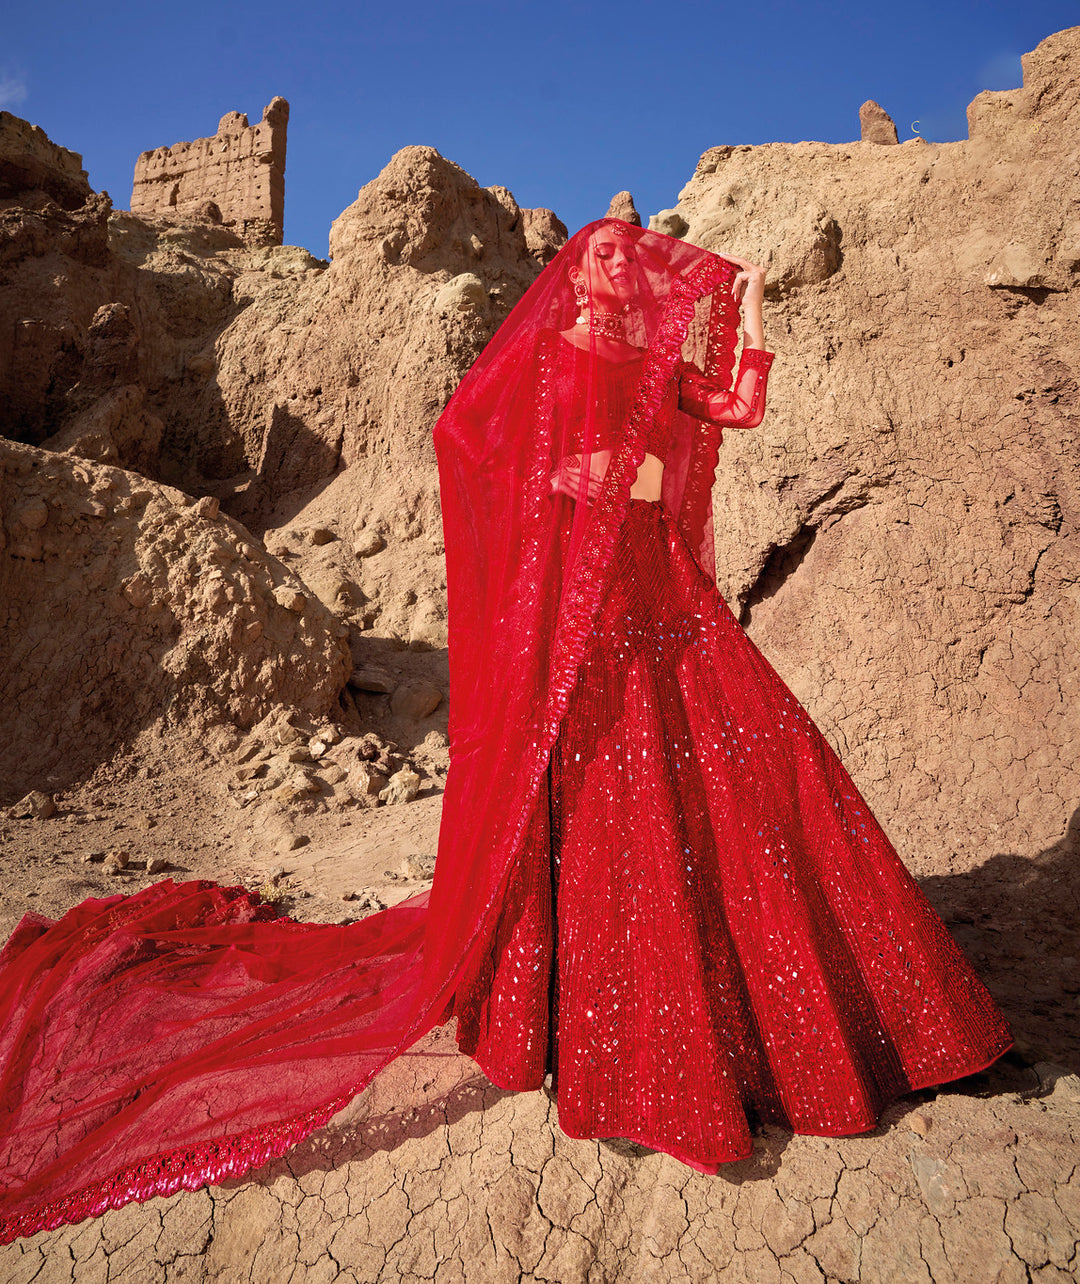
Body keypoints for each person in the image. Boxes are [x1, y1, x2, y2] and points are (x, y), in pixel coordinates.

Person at [0, 219, 1011, 1243]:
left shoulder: (649, 357)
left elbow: (737, 406)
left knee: (750, 761)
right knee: (607, 793)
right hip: (583, 605)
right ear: (576, 274)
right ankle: (590, 1027)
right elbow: (470, 438)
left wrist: (747, 304)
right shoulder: (557, 353)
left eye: (637, 257)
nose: (625, 270)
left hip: (662, 594)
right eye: (606, 256)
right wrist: (581, 480)